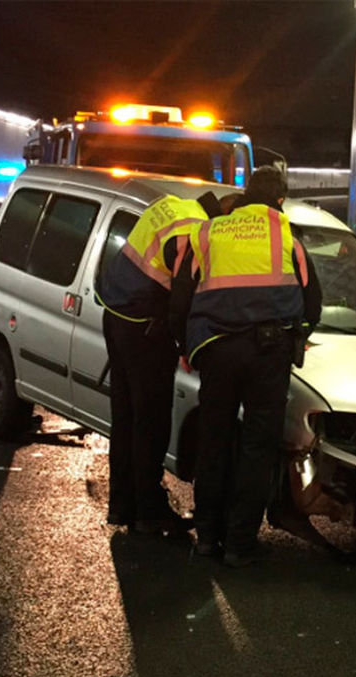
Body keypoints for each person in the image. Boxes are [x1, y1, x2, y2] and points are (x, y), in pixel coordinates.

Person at [170, 167, 321, 566]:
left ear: (244, 195)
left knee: (214, 440)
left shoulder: (209, 232)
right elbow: (313, 303)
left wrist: (184, 344)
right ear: (280, 200)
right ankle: (239, 544)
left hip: (217, 350)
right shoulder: (288, 235)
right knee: (258, 447)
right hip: (268, 355)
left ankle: (206, 538)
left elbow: (180, 296)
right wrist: (298, 336)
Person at [96, 191, 220, 534]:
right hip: (144, 327)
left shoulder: (171, 205)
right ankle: (149, 510)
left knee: (125, 418)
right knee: (151, 421)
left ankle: (123, 505)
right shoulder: (196, 229)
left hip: (116, 315)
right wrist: (186, 343)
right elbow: (182, 295)